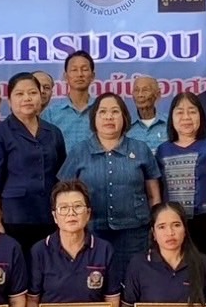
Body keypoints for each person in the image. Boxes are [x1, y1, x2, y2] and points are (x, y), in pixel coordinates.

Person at [57, 93, 162, 277]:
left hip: (135, 232)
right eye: (103, 112)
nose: (109, 117)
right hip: (91, 231)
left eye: (115, 112)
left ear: (124, 117)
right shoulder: (79, 151)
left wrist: (156, 226)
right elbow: (63, 194)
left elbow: (154, 196)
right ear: (94, 118)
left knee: (133, 279)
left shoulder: (140, 149)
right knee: (93, 281)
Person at [0, 72, 66, 251]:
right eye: (19, 94)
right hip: (14, 218)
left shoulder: (53, 132)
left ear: (40, 97)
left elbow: (62, 177)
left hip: (49, 216)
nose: (27, 98)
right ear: (9, 101)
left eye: (32, 93)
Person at [156, 92, 206, 251]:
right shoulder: (162, 150)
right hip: (173, 226)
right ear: (171, 118)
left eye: (192, 111)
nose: (186, 117)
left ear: (201, 116)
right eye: (179, 112)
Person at [43, 51, 97, 148]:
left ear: (92, 76)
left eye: (84, 69)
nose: (79, 74)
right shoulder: (51, 113)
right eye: (74, 70)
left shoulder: (101, 109)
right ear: (65, 76)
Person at [127, 75, 169, 155]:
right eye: (136, 90)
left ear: (158, 94)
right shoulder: (125, 125)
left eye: (145, 90)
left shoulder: (169, 123)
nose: (140, 95)